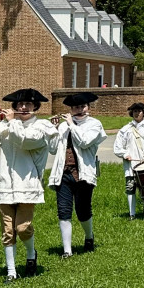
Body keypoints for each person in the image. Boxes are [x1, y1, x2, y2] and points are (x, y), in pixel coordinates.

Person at [0, 88, 60, 282]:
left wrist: (11, 121)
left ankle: (31, 254)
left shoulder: (42, 127)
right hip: (4, 184)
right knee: (8, 231)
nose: (23, 107)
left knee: (22, 228)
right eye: (19, 105)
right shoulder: (7, 125)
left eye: (28, 104)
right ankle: (11, 271)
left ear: (35, 107)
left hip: (28, 184)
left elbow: (25, 141)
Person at [47, 92, 106, 258]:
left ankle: (89, 237)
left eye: (82, 106)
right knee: (64, 211)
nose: (79, 109)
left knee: (82, 210)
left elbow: (85, 142)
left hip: (83, 174)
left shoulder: (94, 124)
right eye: (75, 107)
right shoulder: (64, 126)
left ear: (88, 107)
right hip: (63, 173)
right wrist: (53, 129)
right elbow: (52, 149)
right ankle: (67, 250)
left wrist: (71, 124)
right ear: (70, 109)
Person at [113, 102, 144, 218]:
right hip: (131, 164)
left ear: (143, 113)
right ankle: (132, 214)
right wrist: (125, 154)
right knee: (131, 188)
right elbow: (118, 147)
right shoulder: (126, 129)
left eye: (139, 111)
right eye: (134, 111)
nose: (136, 113)